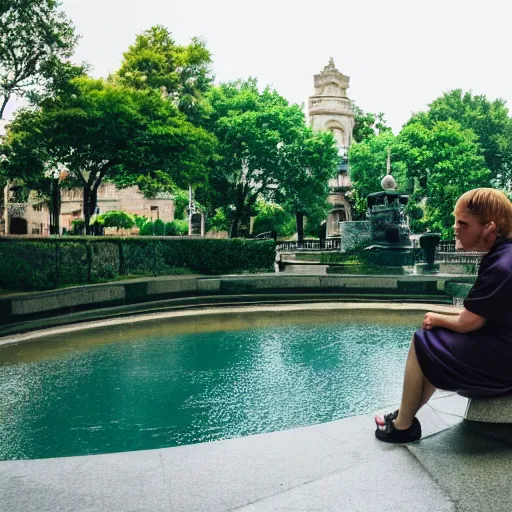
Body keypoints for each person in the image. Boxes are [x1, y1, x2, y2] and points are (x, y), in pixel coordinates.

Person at [375, 188, 512, 443]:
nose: (455, 228)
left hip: (504, 366)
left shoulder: (502, 265)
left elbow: (470, 321)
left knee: (422, 339)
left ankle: (403, 426)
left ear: (489, 228)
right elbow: (480, 312)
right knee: (435, 341)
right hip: (503, 347)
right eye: (455, 221)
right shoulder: (504, 255)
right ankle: (405, 413)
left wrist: (435, 318)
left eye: (463, 223)